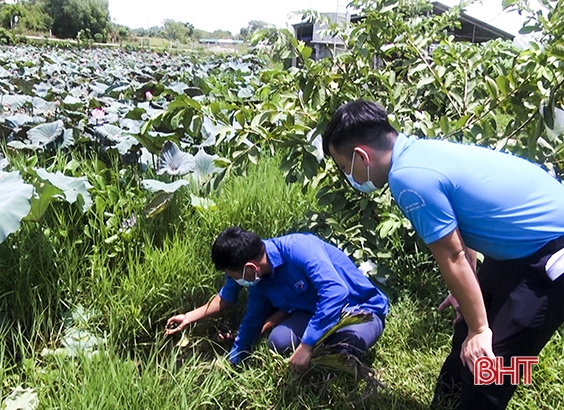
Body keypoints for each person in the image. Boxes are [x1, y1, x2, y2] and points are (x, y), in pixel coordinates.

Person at [322, 99, 564, 409]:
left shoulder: (408, 178)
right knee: (466, 329)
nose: (348, 175)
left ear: (361, 155)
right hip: (520, 246)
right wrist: (467, 296)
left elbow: (451, 257)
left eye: (344, 167)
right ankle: (447, 402)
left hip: (551, 255)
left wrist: (481, 328)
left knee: (491, 367)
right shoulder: (419, 151)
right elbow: (465, 223)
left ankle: (509, 375)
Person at [210, 227, 389, 373]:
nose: (235, 281)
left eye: (235, 276)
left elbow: (335, 292)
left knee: (340, 354)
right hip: (313, 311)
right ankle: (321, 338)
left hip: (359, 308)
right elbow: (253, 319)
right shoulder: (260, 280)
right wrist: (234, 359)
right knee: (278, 341)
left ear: (251, 267)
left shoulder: (299, 247)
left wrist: (306, 345)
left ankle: (334, 344)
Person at [165, 277, 289, 339]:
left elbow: (287, 308)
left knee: (278, 341)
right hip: (271, 306)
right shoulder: (236, 270)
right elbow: (224, 298)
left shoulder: (275, 272)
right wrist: (188, 317)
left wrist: (253, 332)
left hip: (295, 307)